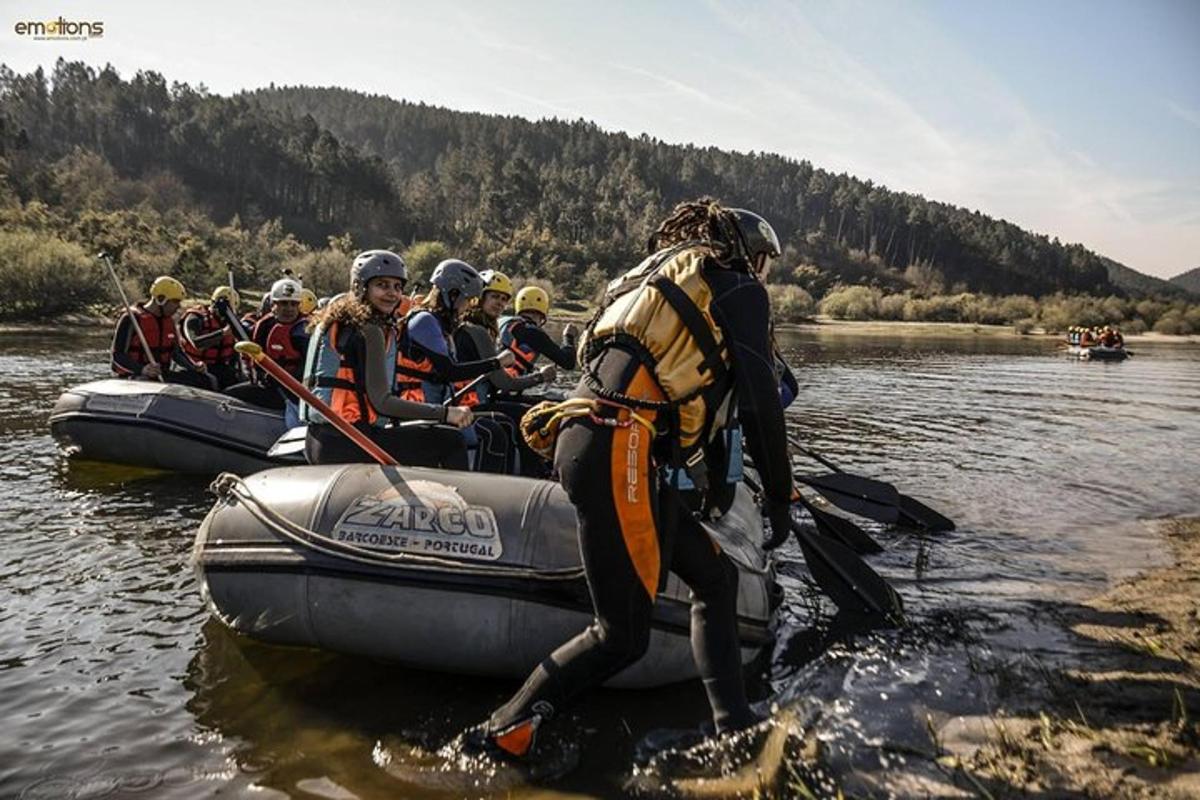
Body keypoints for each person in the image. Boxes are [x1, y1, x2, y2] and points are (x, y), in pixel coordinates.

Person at [463, 198, 795, 760]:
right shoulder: (737, 287)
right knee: (622, 635)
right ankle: (501, 733)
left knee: (713, 579)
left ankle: (734, 734)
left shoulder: (645, 284)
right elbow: (762, 406)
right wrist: (781, 499)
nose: (764, 272)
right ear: (748, 252)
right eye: (764, 260)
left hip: (600, 440)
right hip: (619, 446)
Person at [302, 250, 475, 467]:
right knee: (450, 440)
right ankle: (458, 500)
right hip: (350, 441)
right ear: (360, 287)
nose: (392, 293)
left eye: (397, 286)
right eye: (382, 285)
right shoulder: (370, 330)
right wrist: (445, 413)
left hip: (318, 440)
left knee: (420, 435)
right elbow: (382, 402)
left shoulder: (334, 322)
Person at [395, 259, 518, 474]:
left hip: (438, 407)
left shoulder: (441, 325)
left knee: (502, 426)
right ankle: (477, 491)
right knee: (491, 434)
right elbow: (449, 371)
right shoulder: (424, 321)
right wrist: (496, 363)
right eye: (466, 300)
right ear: (451, 295)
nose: (467, 306)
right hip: (417, 410)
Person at [454, 270, 558, 476]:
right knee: (529, 416)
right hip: (469, 404)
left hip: (477, 399)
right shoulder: (477, 330)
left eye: (503, 299)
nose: (500, 303)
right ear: (479, 297)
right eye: (494, 297)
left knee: (539, 406)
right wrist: (540, 377)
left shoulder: (483, 328)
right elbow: (504, 383)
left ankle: (541, 469)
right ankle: (533, 474)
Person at [110, 275, 214, 389]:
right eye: (175, 302)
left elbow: (176, 353)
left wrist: (193, 366)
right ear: (160, 299)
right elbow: (117, 356)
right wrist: (142, 369)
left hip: (162, 375)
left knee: (207, 380)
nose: (178, 306)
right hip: (136, 376)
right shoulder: (132, 319)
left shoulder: (169, 321)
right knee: (146, 381)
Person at [227, 278, 310, 411]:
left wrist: (283, 380)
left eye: (293, 304)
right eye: (283, 303)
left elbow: (307, 366)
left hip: (295, 392)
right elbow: (249, 343)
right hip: (268, 386)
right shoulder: (265, 325)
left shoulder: (304, 330)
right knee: (229, 395)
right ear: (273, 304)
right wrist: (228, 315)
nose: (289, 309)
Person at [495, 286, 578, 392]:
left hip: (492, 384)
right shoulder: (533, 332)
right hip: (505, 389)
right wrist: (568, 337)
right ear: (543, 313)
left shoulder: (501, 322)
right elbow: (568, 362)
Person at [181, 286, 243, 390]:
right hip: (196, 367)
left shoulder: (232, 321)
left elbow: (235, 351)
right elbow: (196, 343)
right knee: (206, 382)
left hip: (221, 368)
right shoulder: (195, 318)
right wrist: (223, 333)